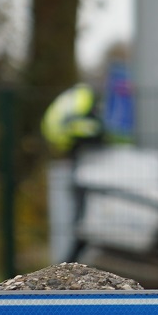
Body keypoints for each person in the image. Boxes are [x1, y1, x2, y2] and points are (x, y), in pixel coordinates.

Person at [41, 80, 105, 265]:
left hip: (61, 138)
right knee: (81, 208)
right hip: (66, 137)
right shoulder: (86, 98)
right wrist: (102, 134)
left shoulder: (77, 96)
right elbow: (88, 126)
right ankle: (74, 253)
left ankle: (73, 254)